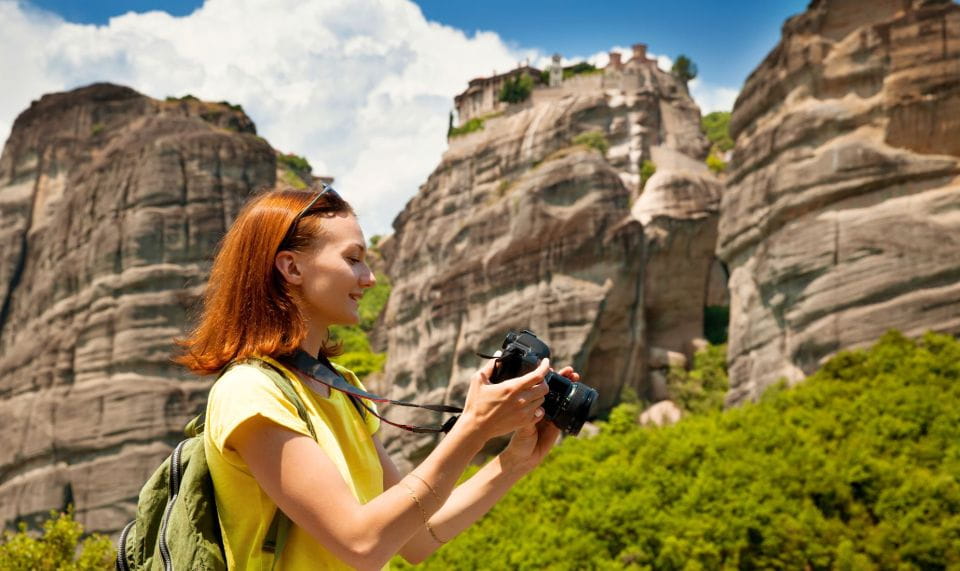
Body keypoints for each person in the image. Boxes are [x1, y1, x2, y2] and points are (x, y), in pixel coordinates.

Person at [176, 184, 580, 570]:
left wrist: (512, 464)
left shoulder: (340, 388)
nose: (369, 278)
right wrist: (473, 428)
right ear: (291, 267)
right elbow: (361, 543)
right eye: (353, 259)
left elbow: (417, 537)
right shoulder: (250, 392)